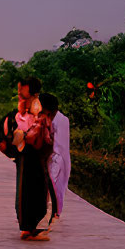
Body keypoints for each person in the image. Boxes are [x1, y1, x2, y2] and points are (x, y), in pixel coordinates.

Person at [0, 78, 53, 239]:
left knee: (39, 188)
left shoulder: (42, 112)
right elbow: (2, 137)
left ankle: (34, 226)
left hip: (38, 156)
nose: (20, 97)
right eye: (19, 94)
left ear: (34, 94)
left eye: (23, 95)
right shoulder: (16, 115)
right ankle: (27, 226)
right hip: (26, 156)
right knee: (25, 188)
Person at [46, 93, 71, 224]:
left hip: (59, 157)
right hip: (55, 156)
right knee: (54, 185)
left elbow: (58, 142)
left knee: (56, 185)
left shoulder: (61, 120)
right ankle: (53, 211)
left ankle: (56, 212)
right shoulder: (54, 119)